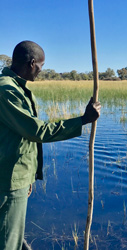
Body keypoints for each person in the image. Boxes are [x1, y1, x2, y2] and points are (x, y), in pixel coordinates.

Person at [0, 41, 101, 250]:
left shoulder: (16, 87)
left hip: (16, 176)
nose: (41, 71)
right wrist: (83, 119)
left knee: (12, 235)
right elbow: (37, 131)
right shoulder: (6, 90)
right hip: (8, 180)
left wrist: (27, 178)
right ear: (32, 63)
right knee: (8, 241)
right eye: (41, 66)